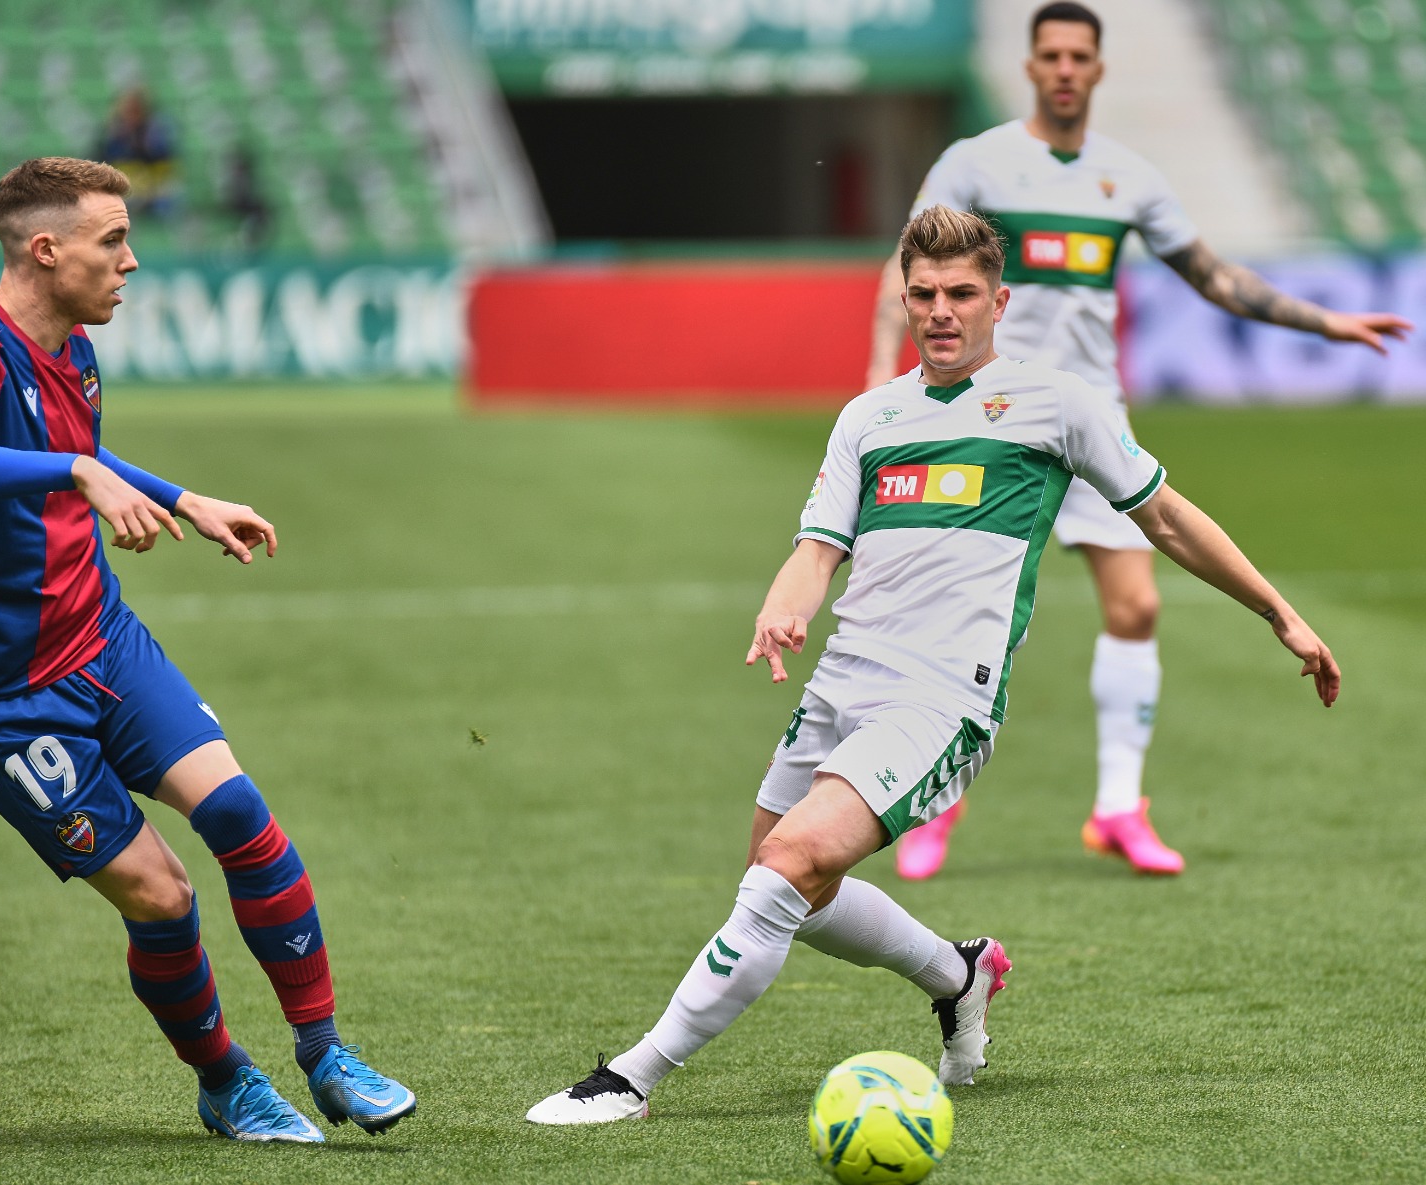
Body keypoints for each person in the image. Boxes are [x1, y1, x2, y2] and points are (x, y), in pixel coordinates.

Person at [526, 205, 1339, 1125]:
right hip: (842, 681)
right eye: (923, 294)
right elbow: (818, 546)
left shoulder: (1058, 405)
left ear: (1000, 299)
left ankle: (631, 1076)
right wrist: (786, 599)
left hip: (943, 699)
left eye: (960, 294)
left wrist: (1279, 612)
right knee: (783, 880)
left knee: (788, 864)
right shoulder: (868, 418)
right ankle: (958, 973)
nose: (941, 311)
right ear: (904, 298)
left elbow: (1168, 517)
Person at [0, 157, 414, 1143]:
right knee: (161, 894)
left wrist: (183, 497)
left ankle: (327, 1056)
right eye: (112, 241)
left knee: (243, 818)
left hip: (99, 636)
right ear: (45, 250)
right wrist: (81, 470)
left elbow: (75, 448)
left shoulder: (77, 349)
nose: (131, 262)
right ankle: (225, 1080)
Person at [866, 2, 1406, 880]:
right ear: (1033, 66)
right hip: (989, 416)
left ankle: (1119, 807)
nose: (1067, 68)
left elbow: (1213, 274)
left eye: (1081, 54)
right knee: (966, 617)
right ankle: (933, 801)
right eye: (1052, 55)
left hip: (1090, 417)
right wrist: (873, 388)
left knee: (1138, 607)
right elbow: (907, 273)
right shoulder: (976, 162)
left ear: (1099, 68)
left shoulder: (1128, 177)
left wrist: (1324, 321)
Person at [95, 88, 178, 219]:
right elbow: (101, 161)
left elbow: (164, 161)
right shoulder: (112, 132)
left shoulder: (154, 133)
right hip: (123, 184)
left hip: (151, 184)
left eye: (135, 111)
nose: (131, 116)